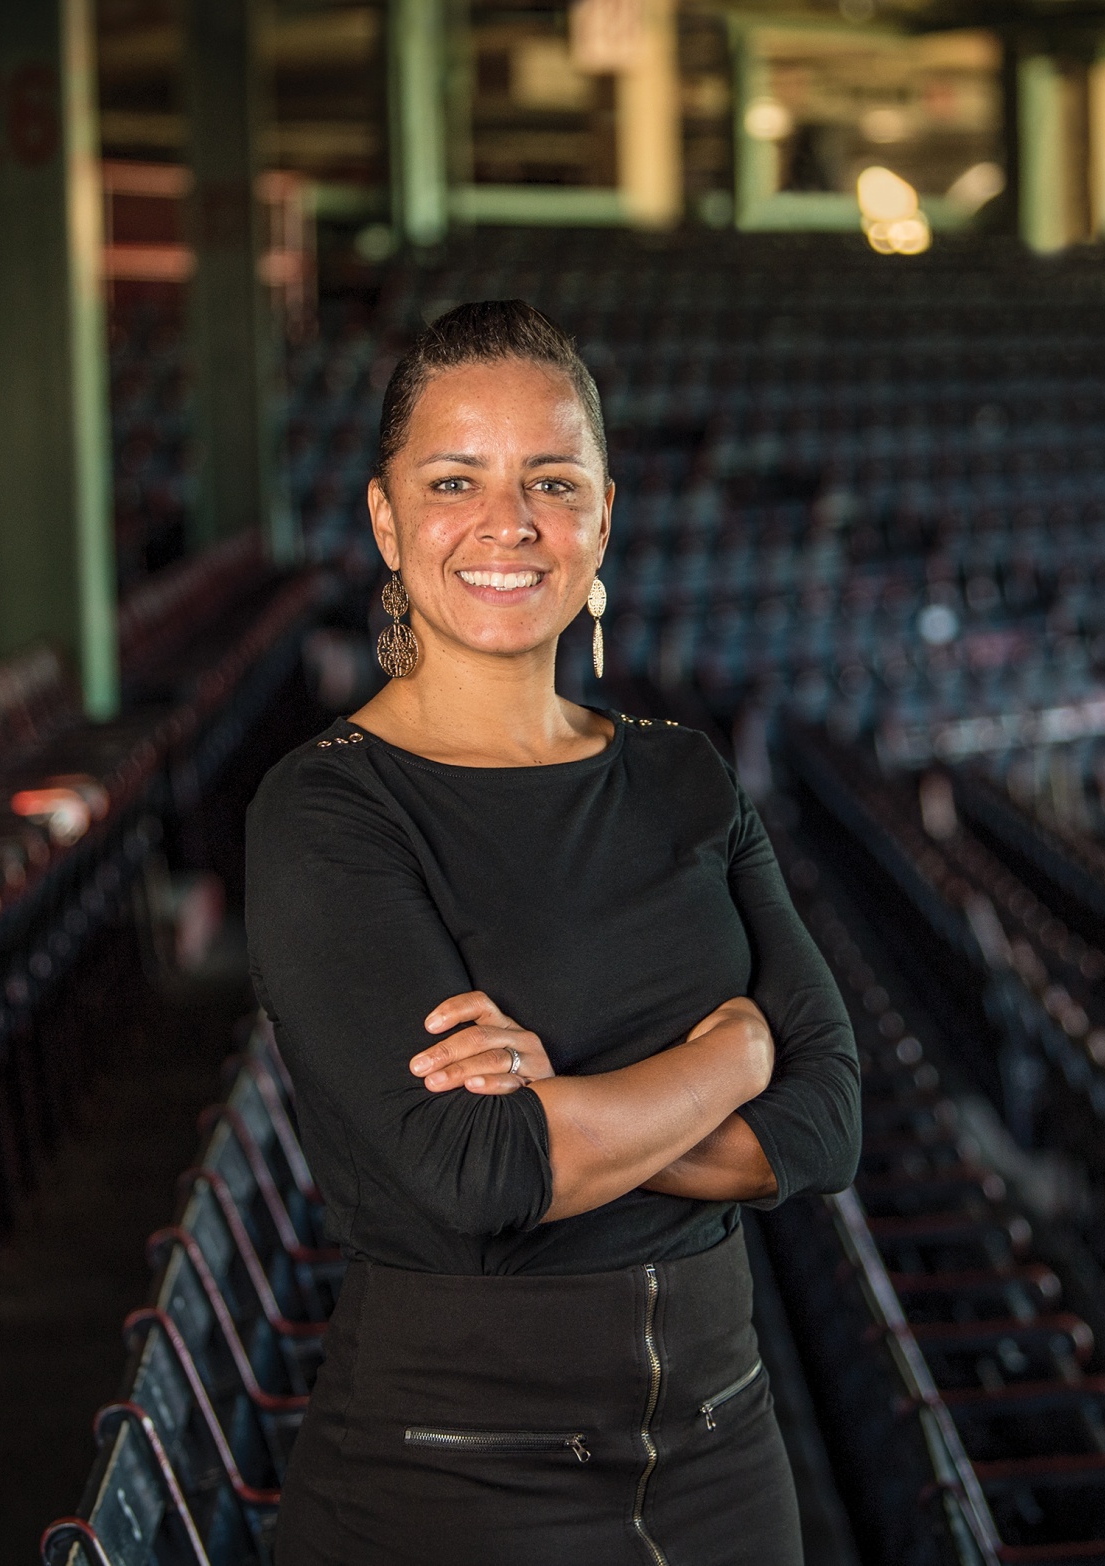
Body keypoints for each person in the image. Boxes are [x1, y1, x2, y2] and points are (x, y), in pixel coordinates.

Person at [245, 300, 861, 1565]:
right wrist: (736, 1060)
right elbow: (483, 1174)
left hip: (725, 1453)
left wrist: (568, 1106)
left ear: (603, 520)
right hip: (451, 1473)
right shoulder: (326, 809)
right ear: (386, 519)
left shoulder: (685, 775)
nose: (507, 523)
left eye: (551, 481)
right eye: (454, 478)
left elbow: (830, 1118)